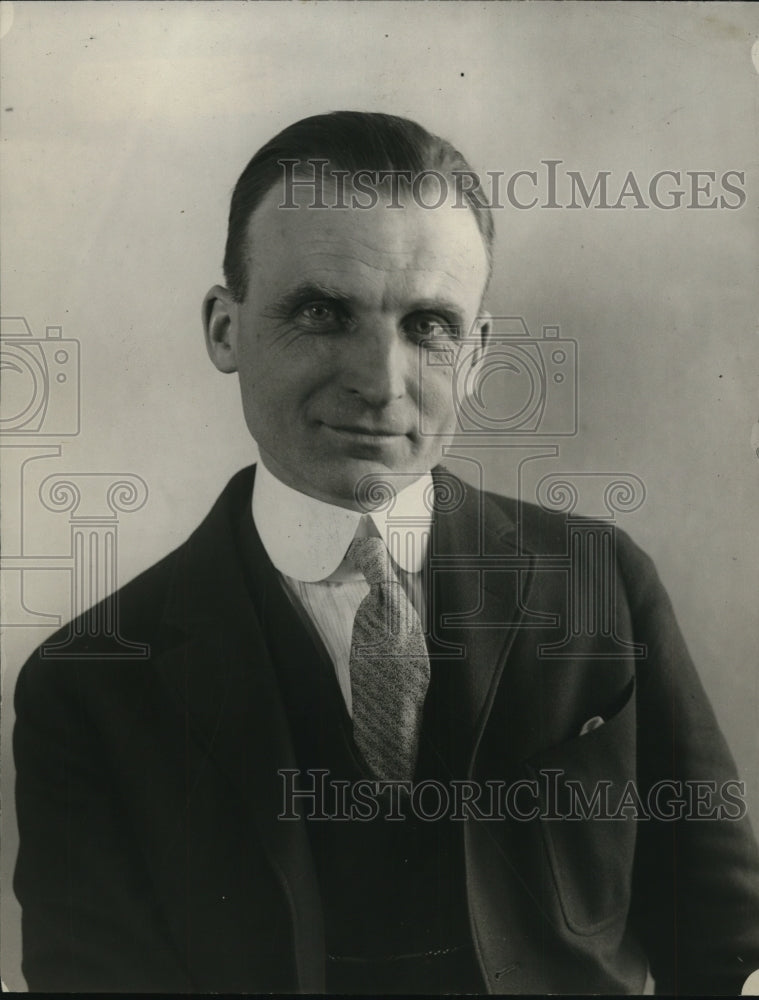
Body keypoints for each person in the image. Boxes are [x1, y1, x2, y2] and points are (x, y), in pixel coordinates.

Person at [13, 111, 759, 995]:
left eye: (430, 325)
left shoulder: (601, 585)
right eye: (322, 313)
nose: (380, 381)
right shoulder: (91, 681)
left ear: (477, 357)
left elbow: (725, 942)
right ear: (224, 330)